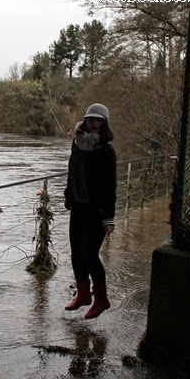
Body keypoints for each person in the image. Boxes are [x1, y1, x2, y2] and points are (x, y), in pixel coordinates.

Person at [63, 103, 117, 319]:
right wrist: (68, 195)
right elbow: (72, 170)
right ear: (85, 120)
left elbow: (110, 185)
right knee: (76, 252)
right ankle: (83, 294)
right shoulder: (77, 143)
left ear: (104, 123)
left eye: (98, 120)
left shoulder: (106, 150)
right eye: (90, 119)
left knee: (89, 254)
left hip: (97, 209)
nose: (94, 123)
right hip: (78, 205)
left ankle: (101, 299)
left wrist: (109, 217)